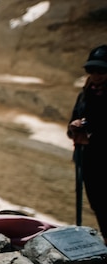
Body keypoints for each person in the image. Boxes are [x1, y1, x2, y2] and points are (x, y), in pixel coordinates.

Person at [67, 44, 107, 241]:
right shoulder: (84, 94)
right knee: (98, 203)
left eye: (101, 70)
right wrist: (73, 128)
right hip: (87, 158)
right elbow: (71, 125)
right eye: (91, 70)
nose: (96, 75)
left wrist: (89, 131)